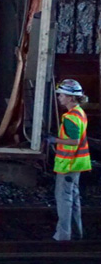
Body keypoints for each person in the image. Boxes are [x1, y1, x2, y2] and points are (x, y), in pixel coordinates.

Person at [47, 79, 92, 241]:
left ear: (71, 98)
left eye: (62, 95)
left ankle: (63, 236)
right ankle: (77, 233)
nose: (59, 97)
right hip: (77, 163)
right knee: (73, 199)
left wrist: (54, 140)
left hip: (68, 164)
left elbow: (74, 141)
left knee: (64, 200)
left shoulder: (70, 117)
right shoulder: (79, 112)